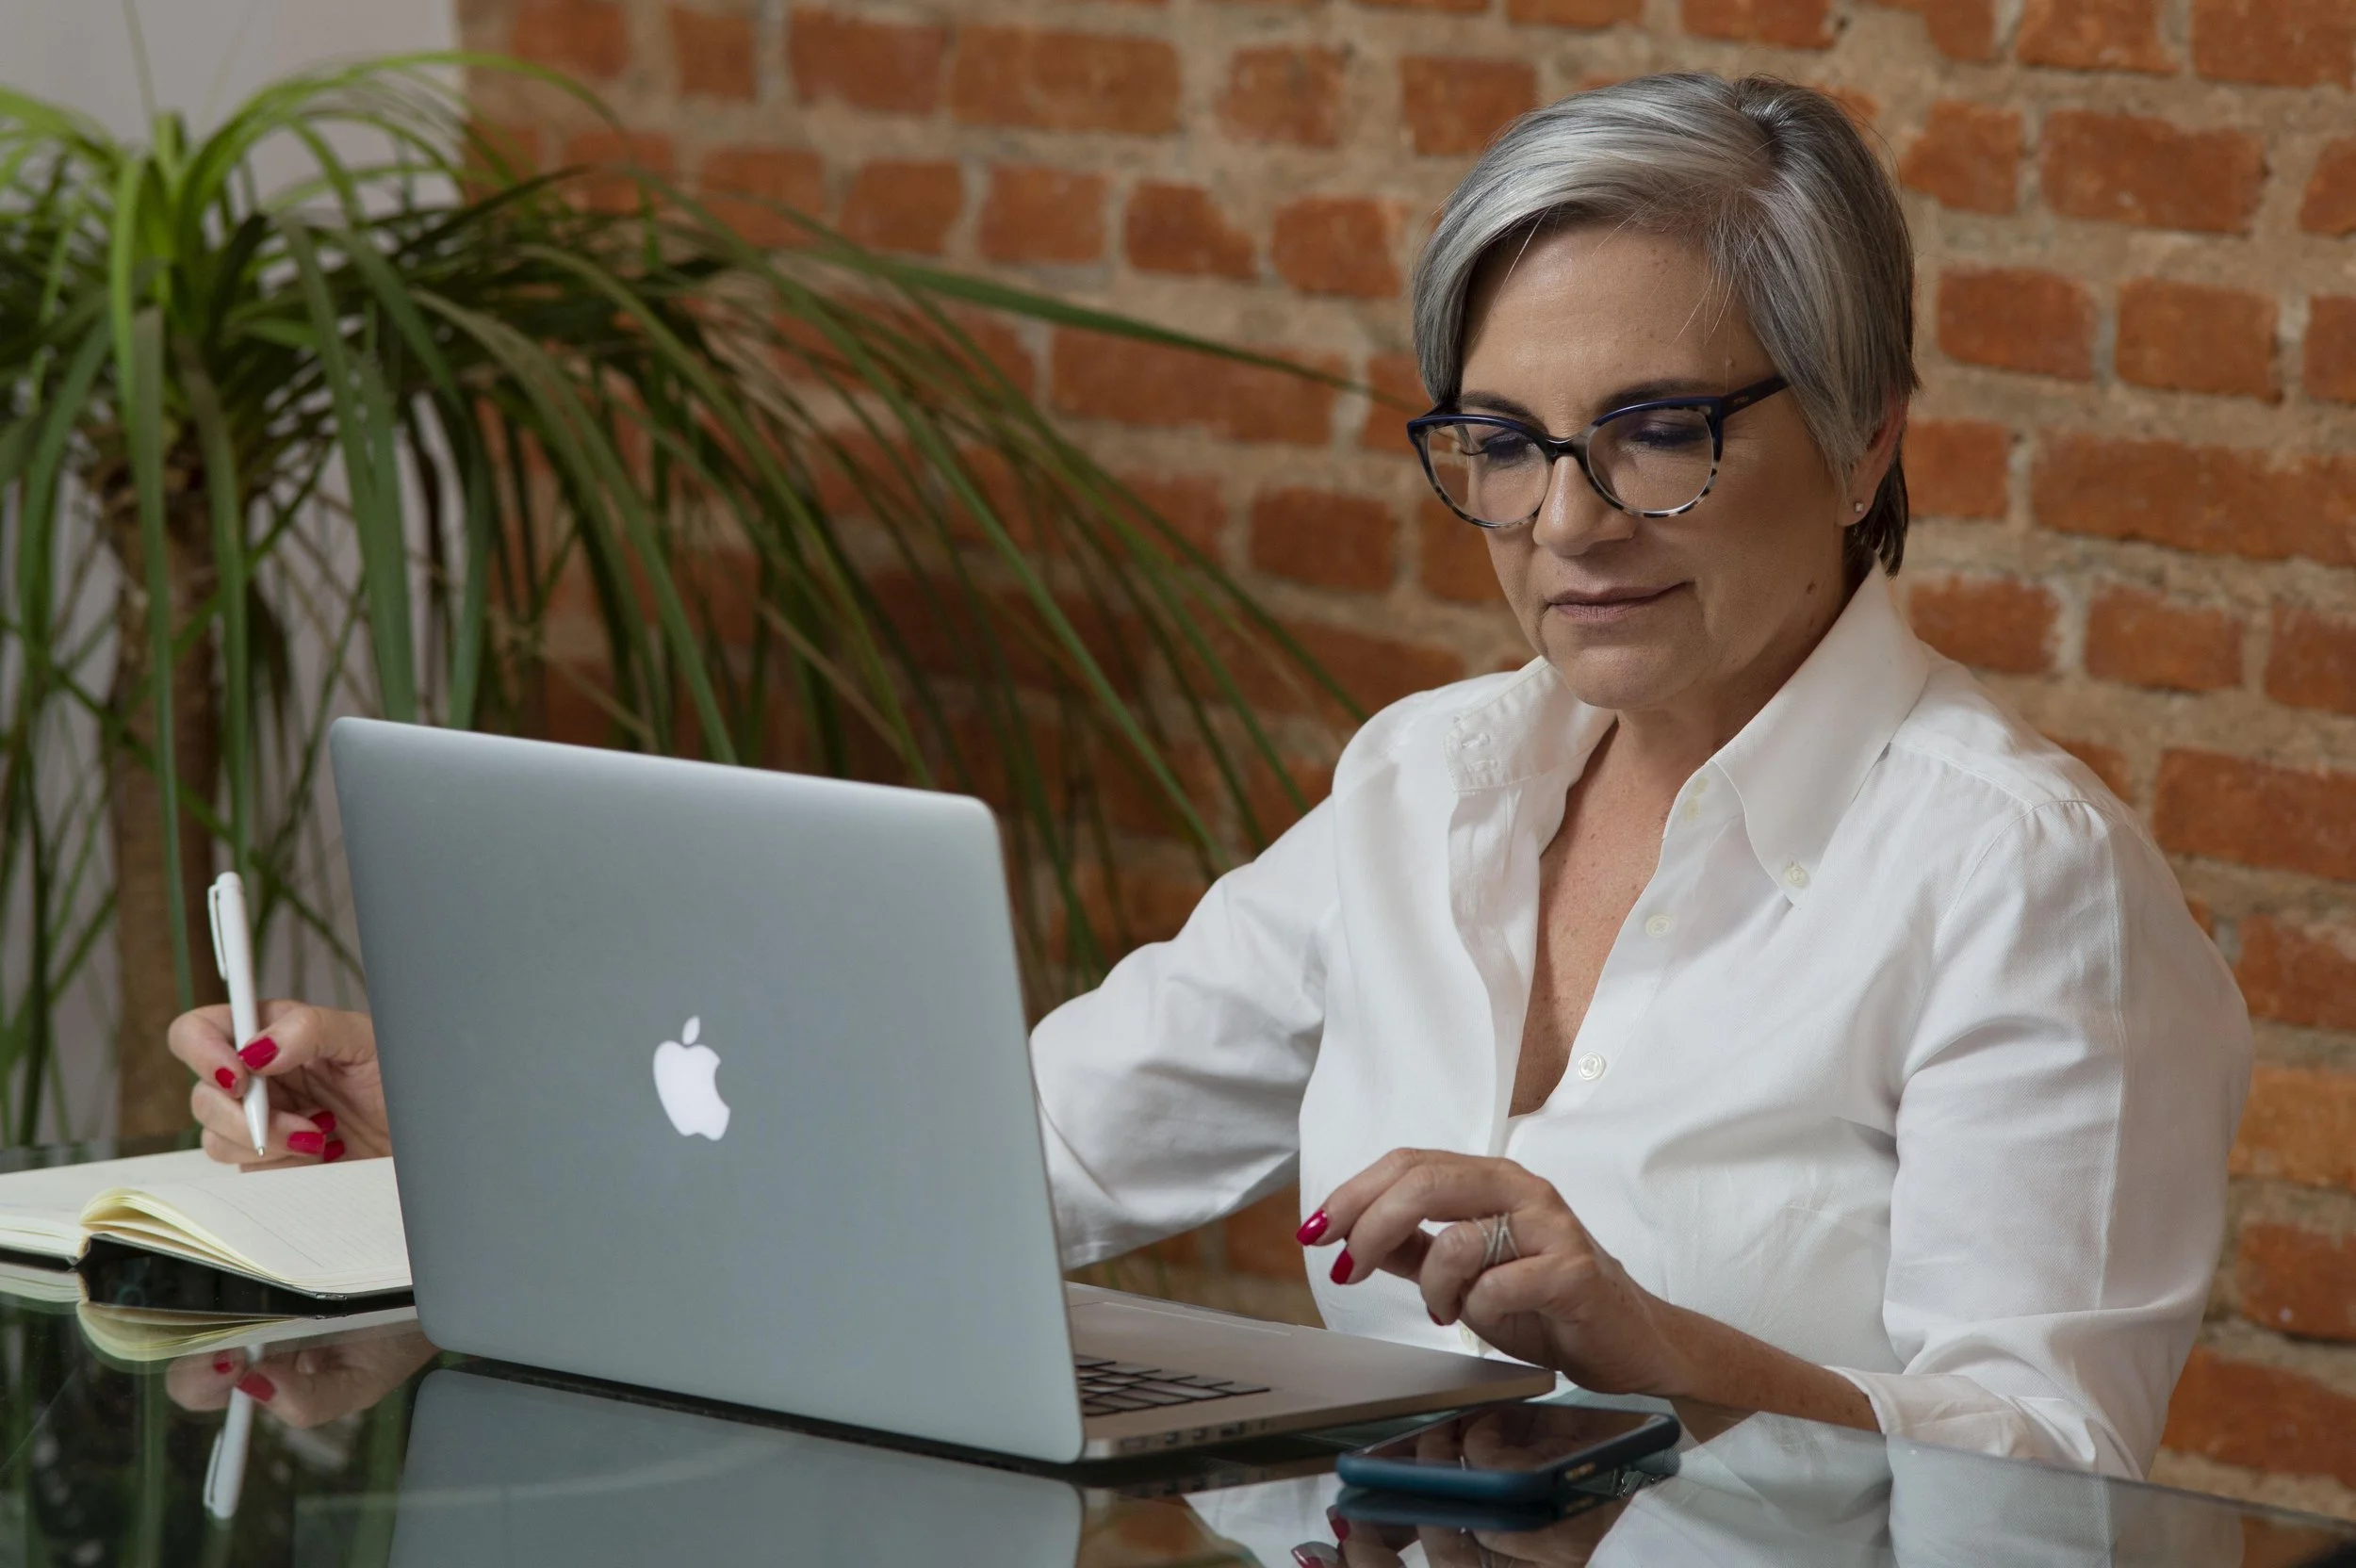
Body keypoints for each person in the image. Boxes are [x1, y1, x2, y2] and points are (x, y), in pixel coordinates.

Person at [169, 73, 2249, 1478]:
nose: (1566, 521)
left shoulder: (2012, 875)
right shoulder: (1423, 784)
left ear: (1868, 435)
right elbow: (1010, 1158)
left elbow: (2055, 1495)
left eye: (1658, 427)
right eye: (1504, 443)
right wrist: (443, 1105)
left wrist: (1649, 1339)